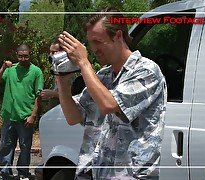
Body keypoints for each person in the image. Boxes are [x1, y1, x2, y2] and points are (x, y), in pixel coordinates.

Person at [56, 8, 167, 179]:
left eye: (98, 41)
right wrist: (62, 79)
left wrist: (84, 63)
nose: (93, 49)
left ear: (118, 36)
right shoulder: (103, 76)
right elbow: (73, 116)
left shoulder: (146, 71)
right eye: (90, 42)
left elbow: (109, 104)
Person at [0, 44, 44, 180]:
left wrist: (33, 115)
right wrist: (3, 67)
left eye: (26, 55)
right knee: (5, 147)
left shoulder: (36, 71)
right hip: (9, 116)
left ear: (30, 54)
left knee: (25, 147)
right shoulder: (10, 70)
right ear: (17, 55)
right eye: (20, 56)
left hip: (26, 117)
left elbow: (39, 95)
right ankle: (4, 173)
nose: (23, 58)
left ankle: (23, 173)